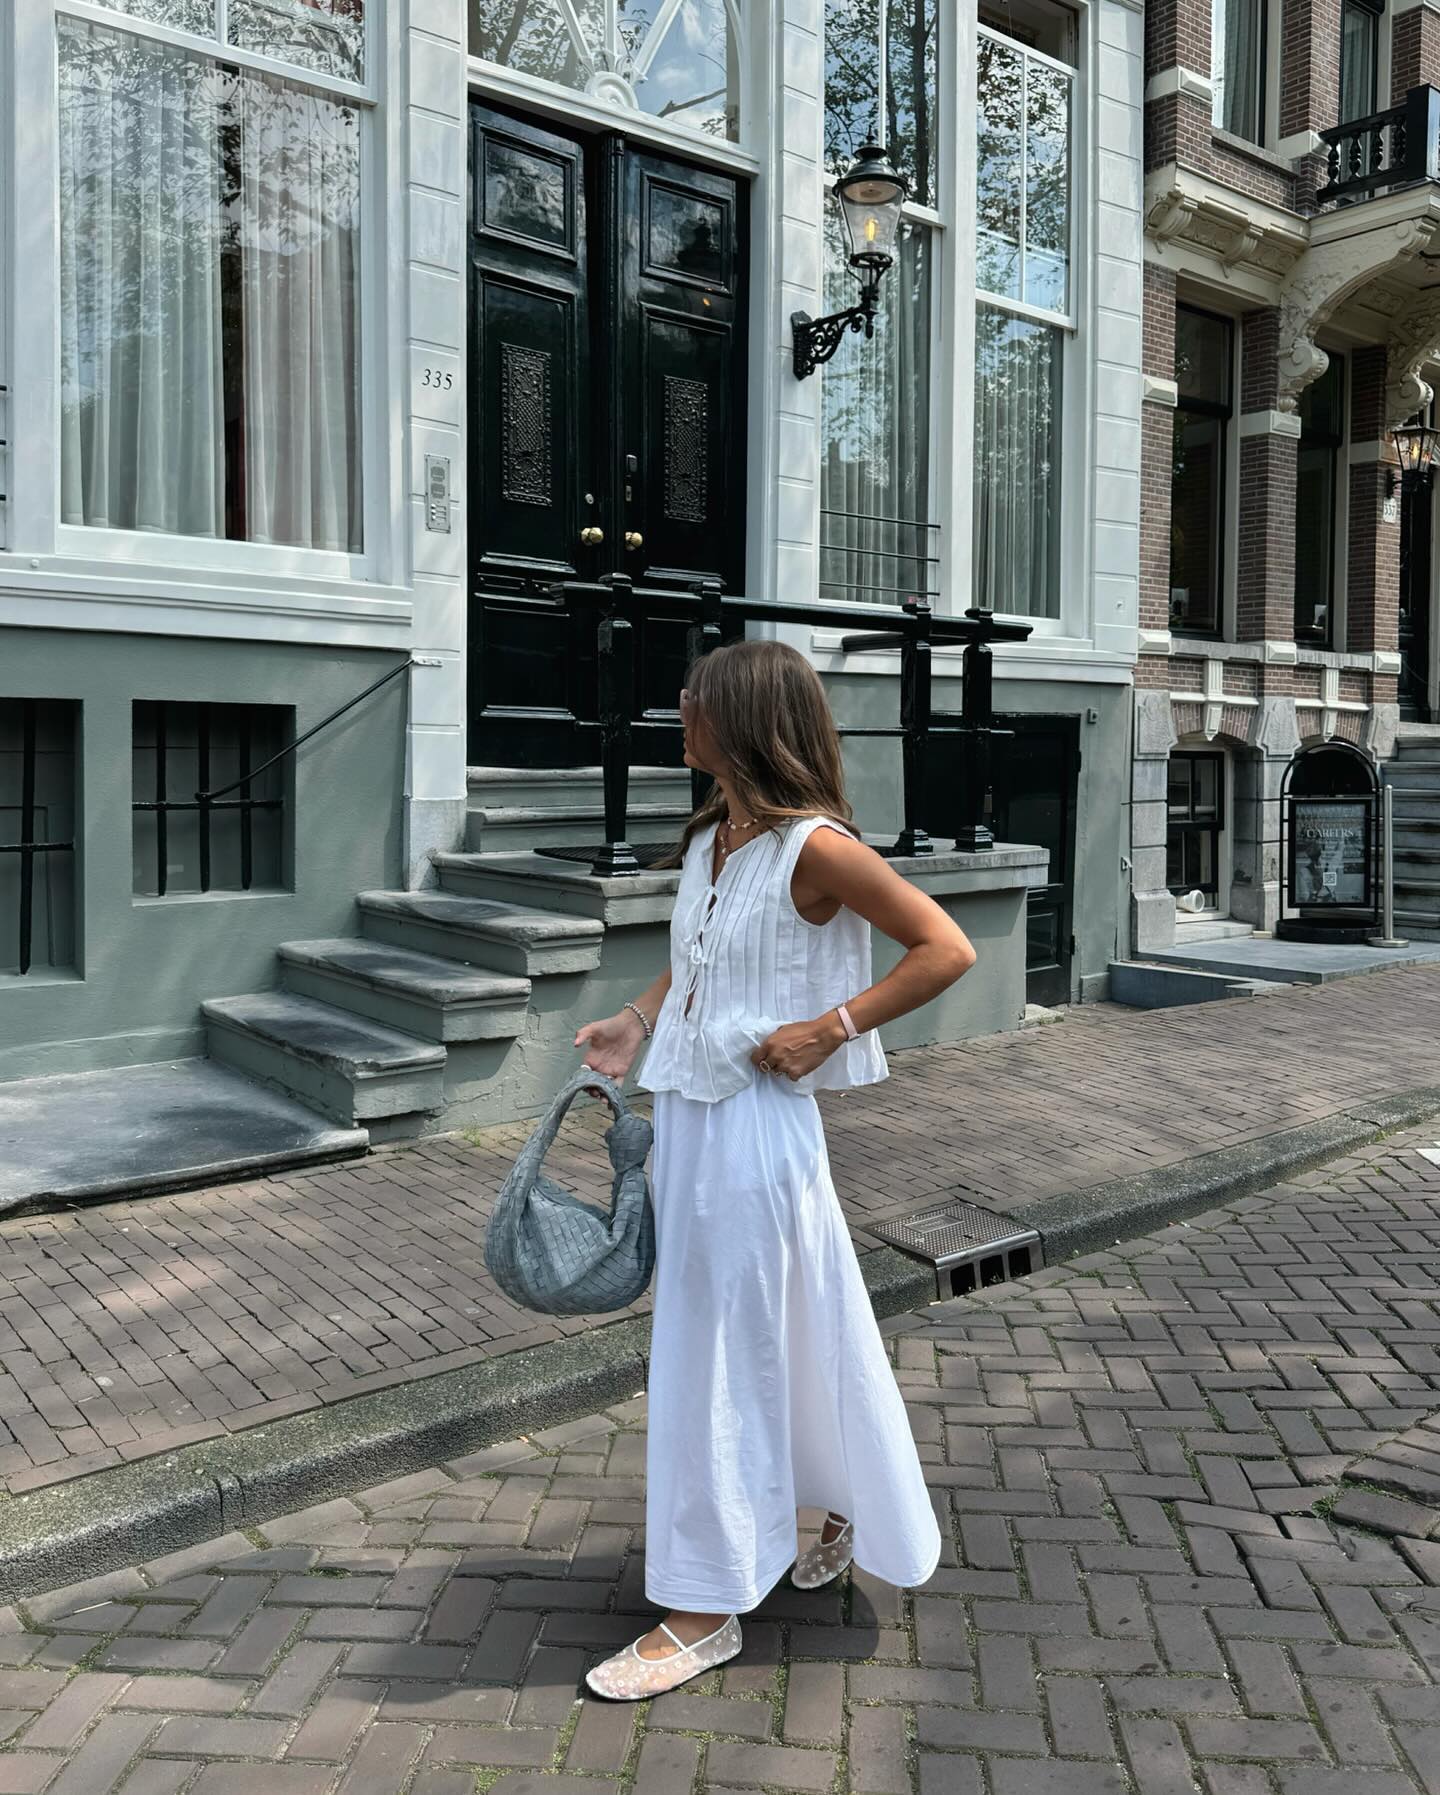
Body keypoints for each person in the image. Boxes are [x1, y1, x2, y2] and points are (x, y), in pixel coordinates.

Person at [573, 638, 976, 1700]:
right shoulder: (716, 836)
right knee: (792, 1322)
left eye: (695, 699)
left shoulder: (815, 848)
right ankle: (841, 1500)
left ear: (743, 718)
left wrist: (831, 1025)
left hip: (755, 1131)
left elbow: (946, 947)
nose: (680, 708)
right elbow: (702, 956)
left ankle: (705, 1608)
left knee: (719, 1347)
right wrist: (635, 1020)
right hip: (693, 1122)